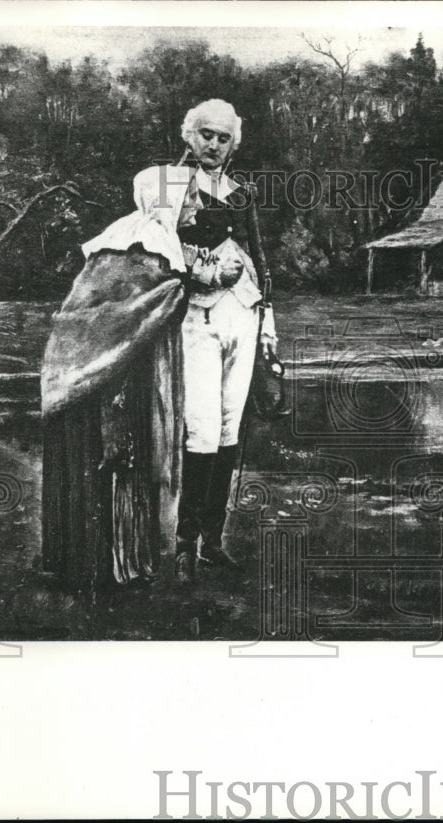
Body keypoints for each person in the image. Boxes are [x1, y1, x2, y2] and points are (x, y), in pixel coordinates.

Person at [40, 164, 197, 596]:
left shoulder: (135, 241)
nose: (198, 208)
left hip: (110, 369)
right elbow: (122, 315)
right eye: (192, 197)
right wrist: (184, 286)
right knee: (118, 458)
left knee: (125, 460)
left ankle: (109, 562)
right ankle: (108, 567)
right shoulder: (138, 247)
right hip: (107, 377)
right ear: (169, 200)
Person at [173, 99, 277, 583]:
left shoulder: (243, 193)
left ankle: (213, 542)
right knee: (202, 426)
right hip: (197, 317)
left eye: (223, 138)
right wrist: (201, 270)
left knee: (232, 427)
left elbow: (259, 257)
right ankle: (183, 544)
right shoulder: (167, 186)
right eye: (206, 135)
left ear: (234, 144)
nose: (214, 145)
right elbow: (154, 249)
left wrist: (269, 329)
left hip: (245, 314)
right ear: (189, 136)